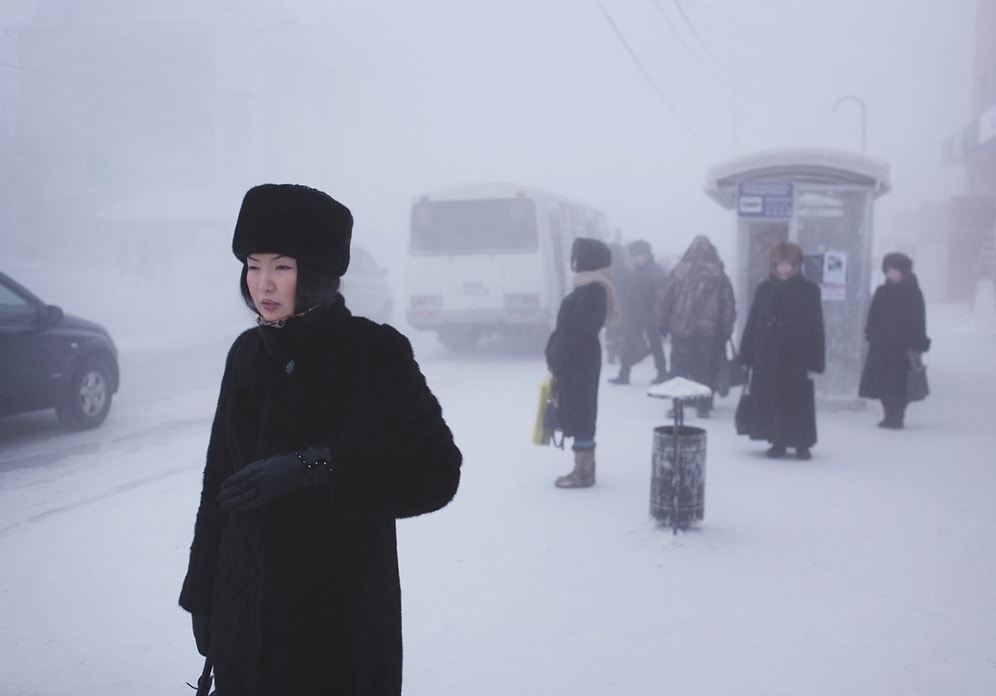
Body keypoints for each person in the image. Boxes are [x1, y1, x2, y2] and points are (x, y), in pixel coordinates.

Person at [178, 184, 462, 695]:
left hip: (339, 635)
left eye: (282, 267)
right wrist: (203, 594)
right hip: (246, 622)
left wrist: (315, 466)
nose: (263, 283)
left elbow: (436, 470)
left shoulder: (374, 354)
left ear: (316, 274)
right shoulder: (245, 356)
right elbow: (216, 483)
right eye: (253, 264)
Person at [737, 240, 825, 460]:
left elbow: (816, 326)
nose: (784, 269)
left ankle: (802, 443)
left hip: (798, 356)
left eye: (789, 264)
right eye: (779, 264)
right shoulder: (764, 289)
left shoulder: (809, 290)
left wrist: (815, 361)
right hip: (768, 356)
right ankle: (777, 440)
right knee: (772, 398)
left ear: (797, 265)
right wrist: (747, 355)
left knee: (799, 400)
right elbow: (754, 321)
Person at [545, 237, 620, 488]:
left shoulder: (593, 289)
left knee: (582, 412)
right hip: (578, 358)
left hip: (579, 360)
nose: (573, 262)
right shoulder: (590, 286)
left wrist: (556, 355)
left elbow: (577, 330)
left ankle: (584, 472)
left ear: (588, 260)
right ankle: (582, 468)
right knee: (579, 409)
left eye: (577, 257)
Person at [657, 235, 736, 417]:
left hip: (681, 328)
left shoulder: (678, 271)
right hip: (710, 331)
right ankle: (703, 405)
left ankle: (678, 405)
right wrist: (726, 329)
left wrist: (662, 322)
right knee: (705, 368)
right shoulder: (718, 274)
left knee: (679, 368)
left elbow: (664, 298)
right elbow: (728, 304)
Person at [858, 252, 931, 429]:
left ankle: (897, 415)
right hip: (882, 344)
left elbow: (919, 319)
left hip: (903, 346)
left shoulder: (913, 292)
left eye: (897, 270)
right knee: (882, 381)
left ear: (904, 271)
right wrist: (871, 333)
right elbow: (873, 314)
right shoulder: (882, 291)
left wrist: (917, 343)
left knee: (899, 383)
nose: (893, 274)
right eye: (890, 270)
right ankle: (888, 414)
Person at [608, 239, 667, 385]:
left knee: (655, 344)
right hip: (636, 314)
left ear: (645, 255)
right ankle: (624, 374)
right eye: (634, 256)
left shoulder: (655, 271)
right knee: (628, 344)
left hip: (650, 314)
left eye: (637, 256)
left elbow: (661, 295)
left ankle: (662, 373)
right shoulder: (637, 270)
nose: (635, 259)